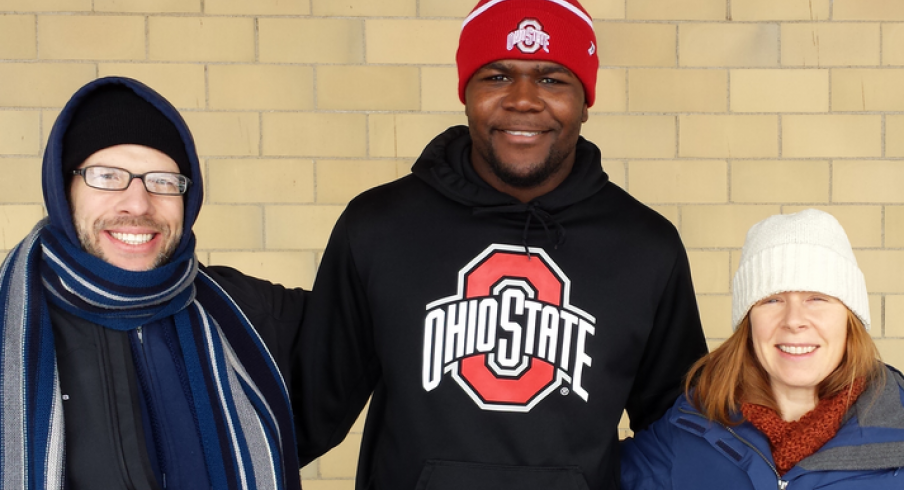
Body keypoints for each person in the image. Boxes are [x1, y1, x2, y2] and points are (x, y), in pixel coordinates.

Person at [297, 0, 708, 488]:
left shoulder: (647, 246)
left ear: (586, 100)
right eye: (496, 76)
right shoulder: (378, 226)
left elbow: (678, 435)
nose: (523, 99)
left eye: (552, 79)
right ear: (465, 92)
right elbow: (307, 412)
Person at [0, 76, 304, 490]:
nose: (139, 204)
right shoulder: (10, 328)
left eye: (163, 181)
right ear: (63, 188)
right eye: (107, 176)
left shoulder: (247, 313)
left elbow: (373, 316)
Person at [621, 209, 904, 490]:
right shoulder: (687, 428)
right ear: (748, 321)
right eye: (772, 300)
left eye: (816, 298)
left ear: (849, 318)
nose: (794, 321)